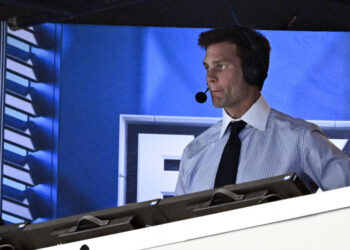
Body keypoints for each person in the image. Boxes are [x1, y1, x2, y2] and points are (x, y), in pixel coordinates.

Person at [175, 26, 350, 195]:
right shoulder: (194, 152)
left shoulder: (300, 139)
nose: (210, 77)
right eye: (207, 67)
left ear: (252, 70)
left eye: (221, 66)